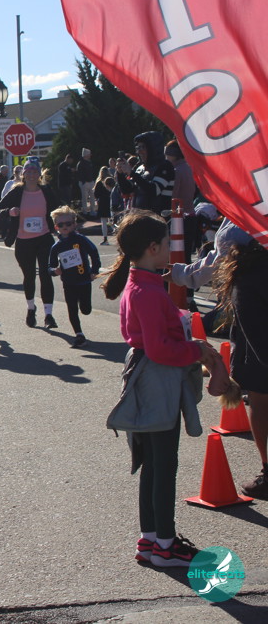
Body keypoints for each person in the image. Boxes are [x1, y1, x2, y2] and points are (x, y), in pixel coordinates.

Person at [101, 209, 220, 567]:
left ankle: (150, 540)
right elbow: (159, 348)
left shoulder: (139, 283)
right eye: (167, 243)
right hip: (157, 379)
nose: (170, 248)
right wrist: (196, 350)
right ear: (153, 248)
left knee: (152, 463)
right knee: (164, 463)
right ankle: (166, 545)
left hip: (146, 376)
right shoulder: (148, 291)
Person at [212, 238, 268, 500]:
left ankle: (267, 470)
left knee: (260, 406)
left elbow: (251, 326)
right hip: (259, 355)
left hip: (258, 359)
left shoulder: (248, 275)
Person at [0, 157, 60, 328]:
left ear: (39, 174)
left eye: (35, 171)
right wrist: (10, 211)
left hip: (44, 238)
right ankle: (31, 309)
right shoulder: (17, 192)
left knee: (46, 275)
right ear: (23, 173)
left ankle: (49, 315)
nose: (31, 174)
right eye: (28, 171)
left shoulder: (46, 191)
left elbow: (58, 209)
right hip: (24, 241)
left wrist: (62, 227)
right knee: (29, 276)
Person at [48, 206, 101, 348]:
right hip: (68, 282)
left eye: (68, 223)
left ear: (74, 224)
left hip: (84, 280)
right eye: (61, 225)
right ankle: (79, 334)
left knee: (86, 309)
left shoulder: (81, 240)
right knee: (72, 308)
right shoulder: (56, 246)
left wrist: (94, 270)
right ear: (56, 227)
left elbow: (94, 253)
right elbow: (50, 267)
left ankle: (84, 309)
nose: (65, 227)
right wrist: (55, 271)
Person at [117, 132, 174, 213]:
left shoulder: (165, 166)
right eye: (138, 147)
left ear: (153, 148)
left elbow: (154, 190)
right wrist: (120, 173)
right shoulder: (140, 167)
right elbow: (127, 190)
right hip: (139, 216)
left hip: (158, 217)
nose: (139, 151)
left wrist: (132, 173)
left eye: (143, 147)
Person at [94, 168, 113, 245]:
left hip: (102, 202)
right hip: (111, 201)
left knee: (104, 222)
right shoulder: (111, 180)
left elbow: (96, 194)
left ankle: (105, 239)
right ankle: (118, 235)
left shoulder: (99, 182)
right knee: (112, 221)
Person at [77, 148, 96, 215]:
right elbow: (80, 174)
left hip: (91, 182)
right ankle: (85, 211)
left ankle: (92, 210)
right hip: (84, 182)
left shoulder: (89, 162)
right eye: (89, 154)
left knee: (92, 197)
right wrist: (83, 182)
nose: (90, 155)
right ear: (86, 155)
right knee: (84, 198)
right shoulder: (80, 163)